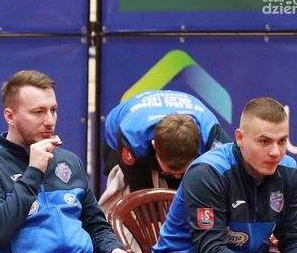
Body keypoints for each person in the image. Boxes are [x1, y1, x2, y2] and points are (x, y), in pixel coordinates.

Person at [0, 70, 134, 253]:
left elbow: (95, 225)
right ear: (10, 116)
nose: (50, 121)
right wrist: (33, 171)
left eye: (53, 110)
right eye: (38, 112)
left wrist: (112, 251)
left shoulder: (69, 161)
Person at [153, 97, 297, 253]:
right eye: (264, 141)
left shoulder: (289, 170)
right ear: (240, 138)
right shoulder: (207, 173)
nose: (275, 152)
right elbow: (211, 250)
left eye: (282, 141)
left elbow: (294, 237)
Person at [99, 90, 231, 213]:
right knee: (134, 207)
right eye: (171, 171)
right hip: (123, 136)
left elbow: (231, 180)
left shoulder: (212, 136)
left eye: (181, 172)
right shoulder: (132, 139)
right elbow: (140, 194)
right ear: (154, 146)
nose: (177, 176)